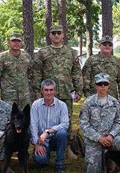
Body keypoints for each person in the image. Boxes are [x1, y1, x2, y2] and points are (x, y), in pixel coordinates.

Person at [33, 24, 83, 159]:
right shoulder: (43, 52)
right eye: (53, 33)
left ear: (63, 35)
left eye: (59, 33)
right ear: (49, 35)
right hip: (48, 93)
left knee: (66, 122)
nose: (56, 35)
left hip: (66, 92)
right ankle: (39, 144)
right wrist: (38, 92)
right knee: (42, 120)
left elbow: (76, 72)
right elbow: (37, 73)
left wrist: (78, 89)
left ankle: (66, 148)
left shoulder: (71, 52)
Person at [30, 79, 69, 173]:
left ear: (54, 91)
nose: (49, 92)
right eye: (46, 90)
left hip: (55, 138)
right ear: (42, 91)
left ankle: (59, 164)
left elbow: (65, 124)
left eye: (51, 90)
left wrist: (47, 132)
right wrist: (36, 144)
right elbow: (33, 125)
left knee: (62, 133)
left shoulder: (62, 105)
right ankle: (41, 156)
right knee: (41, 160)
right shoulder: (36, 105)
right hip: (41, 141)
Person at [82, 35, 120, 106]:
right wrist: (87, 94)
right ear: (100, 46)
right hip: (94, 97)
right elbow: (85, 78)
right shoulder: (92, 60)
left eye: (110, 44)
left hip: (112, 97)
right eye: (104, 44)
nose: (107, 46)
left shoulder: (117, 61)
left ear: (112, 47)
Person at [0, 32, 33, 109]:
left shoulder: (26, 57)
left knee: (26, 117)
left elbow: (30, 73)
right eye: (14, 41)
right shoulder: (2, 57)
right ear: (9, 42)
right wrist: (6, 87)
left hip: (24, 95)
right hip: (9, 96)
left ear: (22, 42)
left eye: (18, 41)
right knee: (9, 117)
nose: (16, 43)